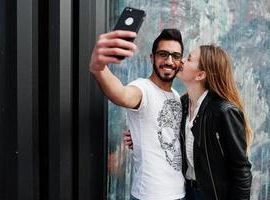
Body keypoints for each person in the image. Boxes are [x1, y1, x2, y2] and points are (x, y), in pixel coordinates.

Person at [125, 44, 253, 200]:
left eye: (189, 59)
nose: (182, 61)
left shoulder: (223, 111)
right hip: (186, 193)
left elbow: (241, 170)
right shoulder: (182, 104)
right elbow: (170, 139)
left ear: (200, 75)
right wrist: (139, 137)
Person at [90, 29, 186, 200]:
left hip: (179, 192)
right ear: (152, 58)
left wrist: (139, 139)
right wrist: (99, 68)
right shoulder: (143, 88)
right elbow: (121, 94)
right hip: (151, 195)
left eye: (175, 56)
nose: (169, 61)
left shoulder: (176, 97)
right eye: (163, 54)